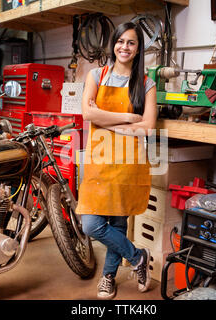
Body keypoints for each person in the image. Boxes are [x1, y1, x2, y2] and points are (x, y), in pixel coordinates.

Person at [75, 21, 157, 300]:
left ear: (138, 49)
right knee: (91, 224)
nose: (124, 47)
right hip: (99, 159)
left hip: (128, 161)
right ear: (114, 44)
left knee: (118, 224)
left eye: (131, 43)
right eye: (120, 41)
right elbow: (87, 114)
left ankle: (108, 278)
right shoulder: (96, 75)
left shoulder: (146, 83)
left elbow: (147, 127)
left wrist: (106, 120)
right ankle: (137, 257)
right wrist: (127, 117)